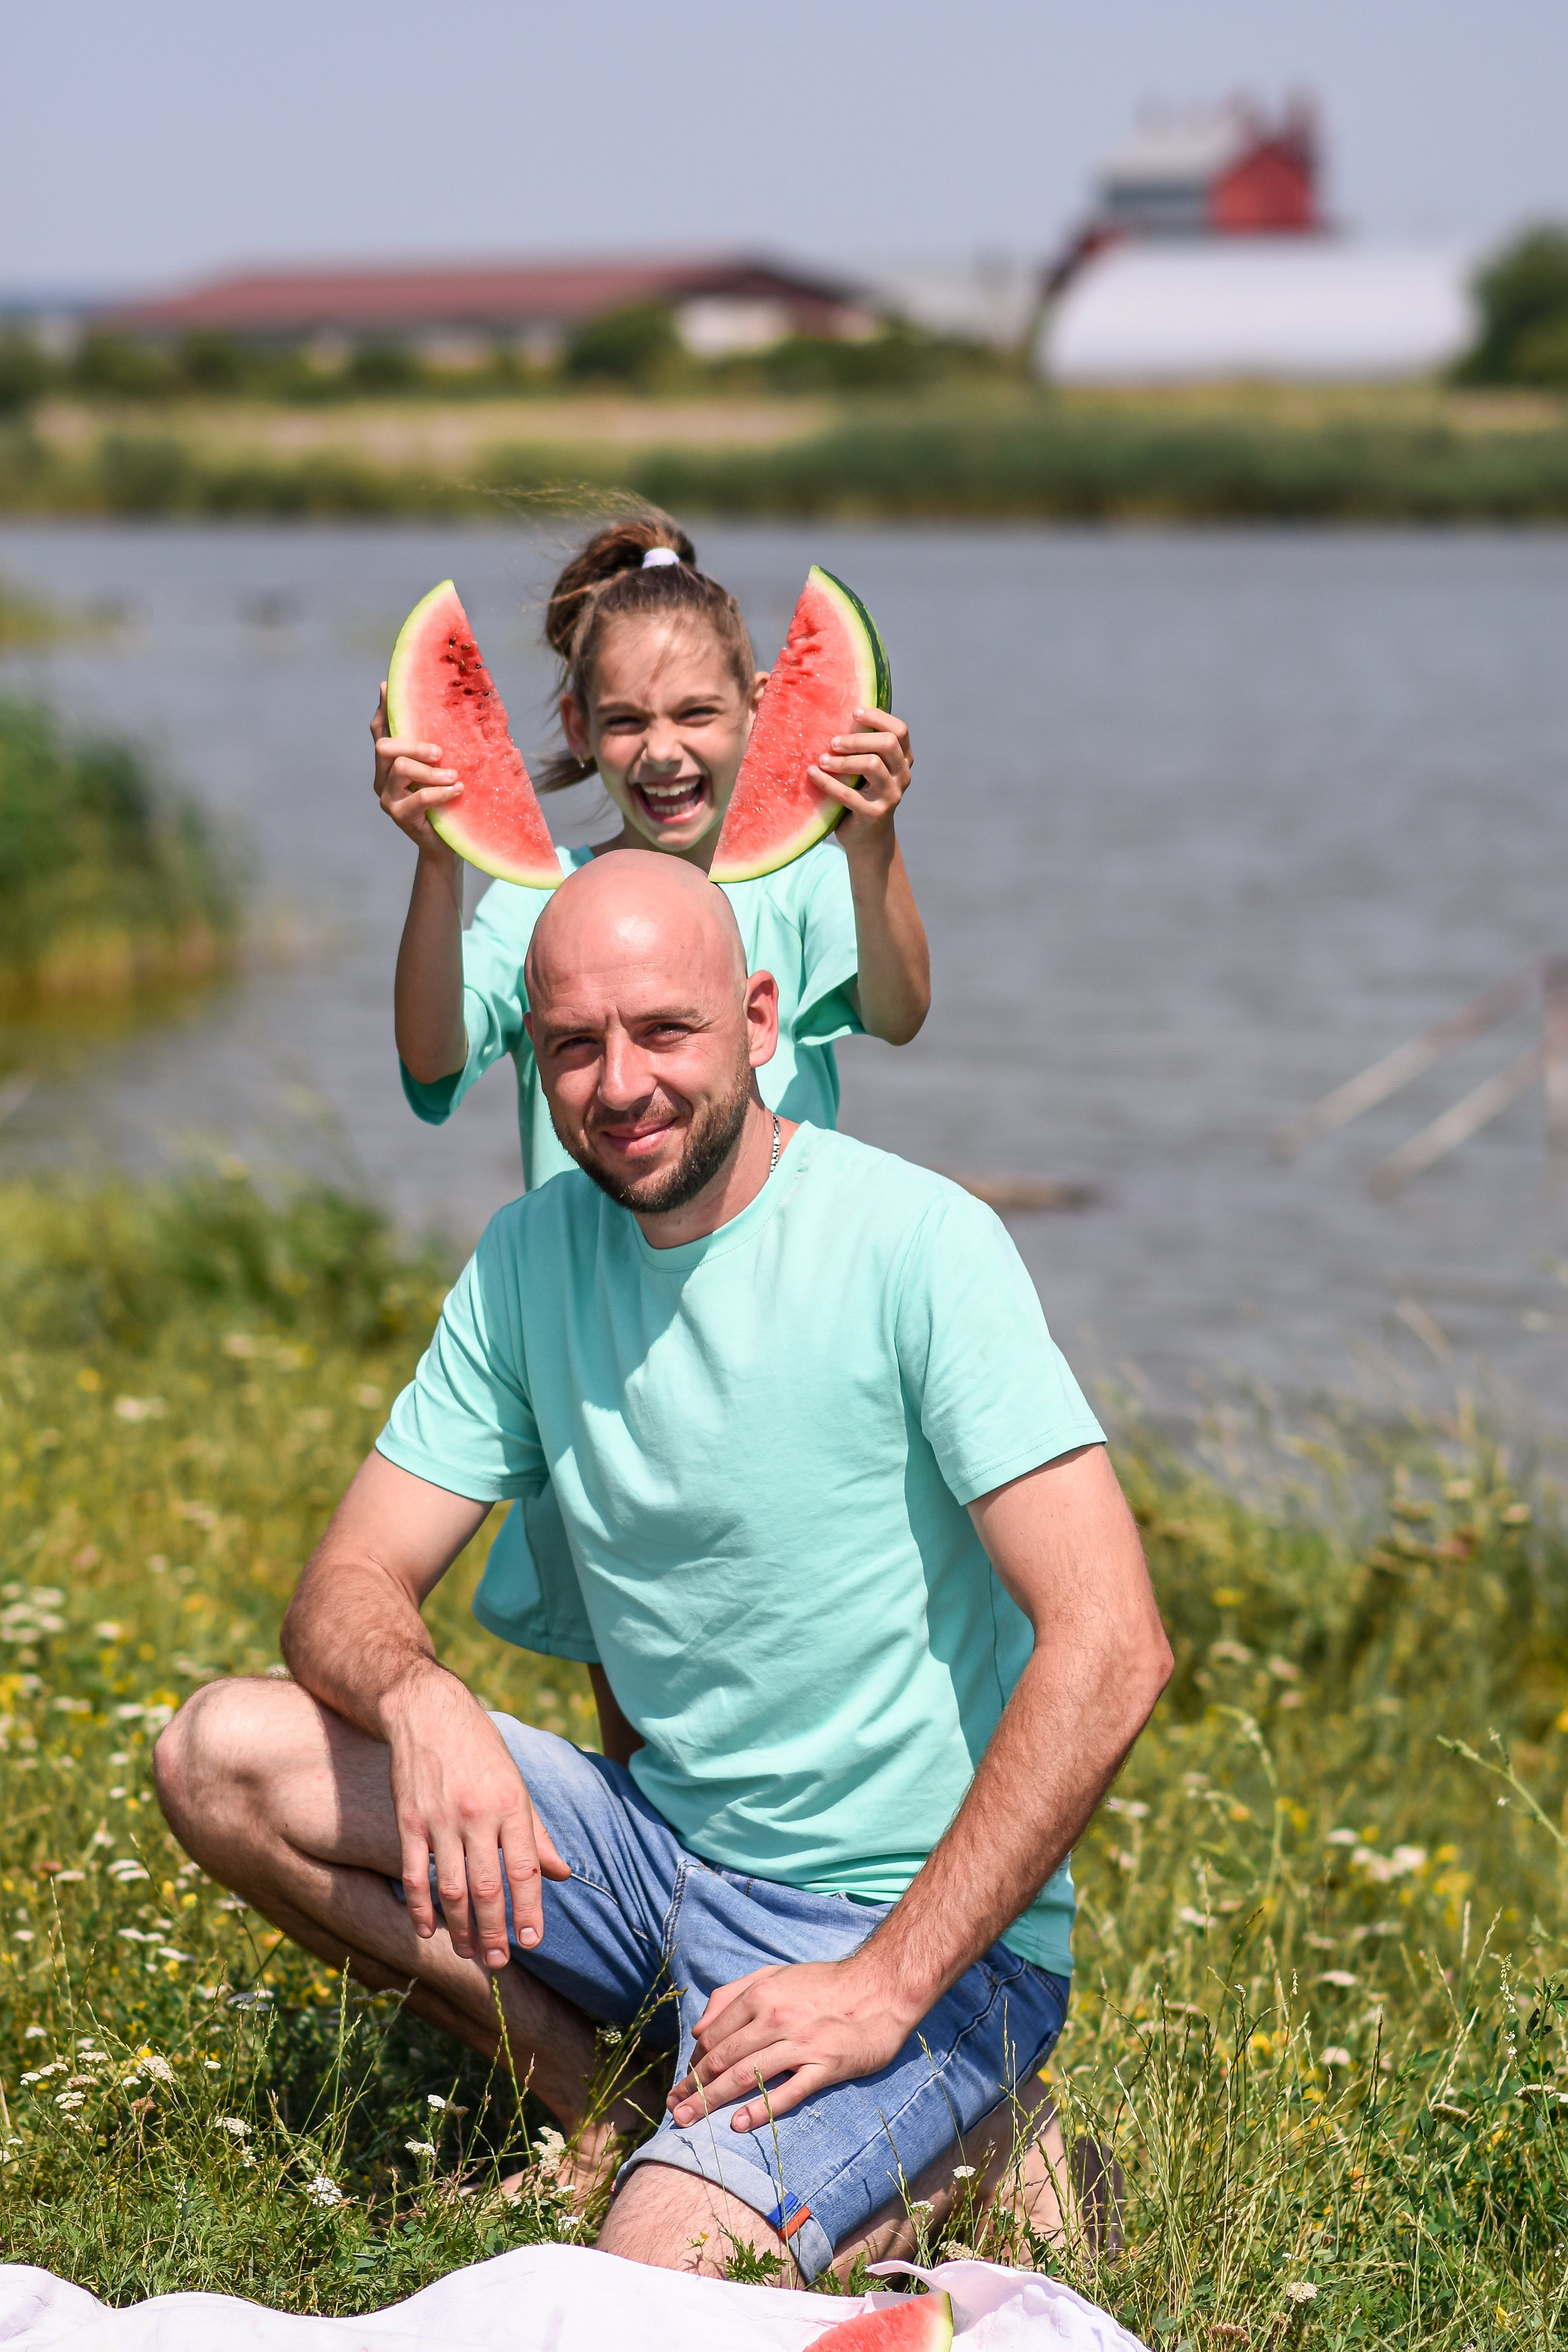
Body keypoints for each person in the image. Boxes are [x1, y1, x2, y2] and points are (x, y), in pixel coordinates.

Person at [154, 854, 1170, 2289]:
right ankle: (619, 2098)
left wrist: (883, 1984)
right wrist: (422, 1696)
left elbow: (1110, 1641)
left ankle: (946, 2111)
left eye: (663, 1030)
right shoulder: (524, 1260)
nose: (618, 1083)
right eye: (574, 1044)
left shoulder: (919, 1242)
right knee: (222, 1755)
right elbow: (346, 1585)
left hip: (902, 1929)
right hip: (659, 1861)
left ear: (758, 1020)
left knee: (648, 2284)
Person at [376, 509, 930, 1194]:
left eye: (696, 713)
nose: (662, 751)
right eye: (626, 721)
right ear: (579, 728)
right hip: (586, 1288)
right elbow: (432, 1060)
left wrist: (873, 847)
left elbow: (899, 1016)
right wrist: (438, 860)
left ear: (763, 708)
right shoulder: (539, 897)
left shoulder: (803, 882)